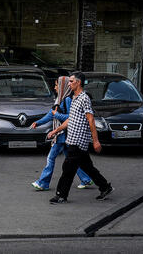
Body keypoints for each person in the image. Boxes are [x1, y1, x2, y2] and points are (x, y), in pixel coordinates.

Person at [47, 71, 114, 204]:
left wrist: (96, 141)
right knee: (88, 167)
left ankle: (61, 195)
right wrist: (56, 131)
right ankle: (105, 187)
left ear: (78, 82)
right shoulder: (74, 98)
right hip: (72, 140)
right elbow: (71, 120)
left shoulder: (84, 98)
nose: (69, 84)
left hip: (78, 141)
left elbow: (91, 120)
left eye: (71, 81)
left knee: (68, 169)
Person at [31, 76, 93, 191]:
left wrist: (57, 115)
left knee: (51, 158)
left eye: (56, 85)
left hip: (63, 135)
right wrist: (37, 123)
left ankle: (43, 183)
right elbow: (51, 114)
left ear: (62, 87)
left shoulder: (67, 100)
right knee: (73, 159)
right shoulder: (59, 99)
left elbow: (71, 117)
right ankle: (86, 179)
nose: (55, 88)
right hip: (64, 136)